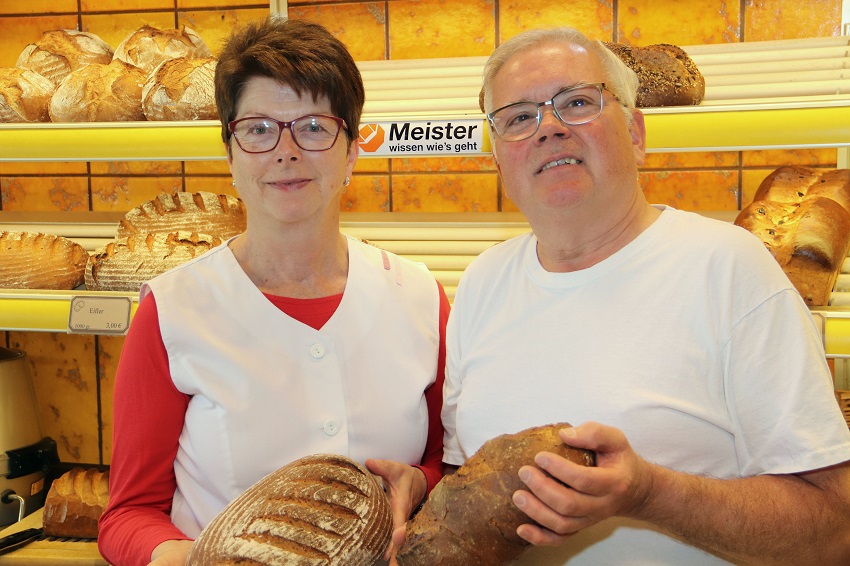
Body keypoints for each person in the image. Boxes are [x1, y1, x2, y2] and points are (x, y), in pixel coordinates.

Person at [441, 27, 850, 565]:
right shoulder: (482, 282)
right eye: (518, 117)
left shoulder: (729, 267)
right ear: (498, 160)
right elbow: (459, 486)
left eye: (578, 103)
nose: (549, 128)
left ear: (635, 132)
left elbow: (834, 530)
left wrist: (650, 493)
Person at [98, 17, 449, 566]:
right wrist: (191, 562)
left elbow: (443, 464)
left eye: (313, 126)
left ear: (352, 152)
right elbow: (127, 515)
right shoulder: (172, 310)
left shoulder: (421, 298)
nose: (286, 151)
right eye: (259, 128)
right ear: (230, 155)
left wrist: (422, 483)